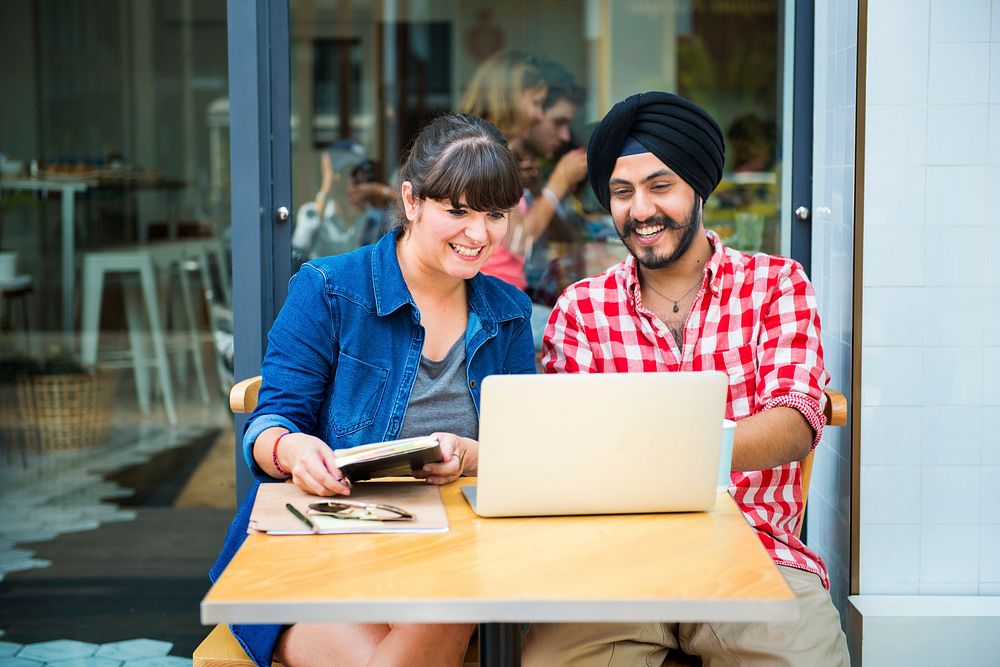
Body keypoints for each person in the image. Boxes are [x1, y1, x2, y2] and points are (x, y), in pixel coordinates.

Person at [527, 92, 850, 666]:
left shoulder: (775, 284)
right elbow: (567, 456)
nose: (641, 209)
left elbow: (796, 421)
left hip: (752, 551)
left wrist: (645, 450)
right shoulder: (581, 308)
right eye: (622, 193)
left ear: (699, 187)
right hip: (613, 563)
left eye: (660, 186)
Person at [210, 112, 536, 667]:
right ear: (411, 201)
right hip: (322, 548)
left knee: (446, 601)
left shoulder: (507, 312)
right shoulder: (330, 289)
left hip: (446, 552)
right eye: (457, 211)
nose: (479, 234)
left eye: (495, 214)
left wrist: (476, 456)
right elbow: (268, 426)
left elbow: (525, 452)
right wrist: (292, 449)